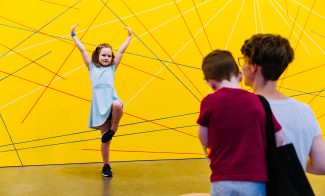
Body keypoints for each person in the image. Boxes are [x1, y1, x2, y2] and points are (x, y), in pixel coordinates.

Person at [197, 49, 284, 196]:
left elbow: (203, 137)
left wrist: (208, 149)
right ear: (240, 76)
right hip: (255, 179)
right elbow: (279, 138)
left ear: (210, 83)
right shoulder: (258, 102)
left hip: (222, 178)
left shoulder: (209, 102)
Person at [240, 33, 325, 174]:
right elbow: (322, 163)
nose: (242, 67)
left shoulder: (243, 109)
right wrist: (295, 164)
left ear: (254, 67)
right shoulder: (304, 110)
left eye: (243, 61)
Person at [71, 24, 132, 177]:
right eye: (104, 55)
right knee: (105, 141)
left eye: (109, 56)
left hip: (111, 101)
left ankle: (114, 128)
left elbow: (121, 51)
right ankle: (106, 166)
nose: (107, 58)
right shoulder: (91, 68)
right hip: (99, 107)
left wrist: (129, 38)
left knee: (118, 105)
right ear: (97, 56)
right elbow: (82, 50)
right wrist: (74, 36)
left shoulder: (112, 68)